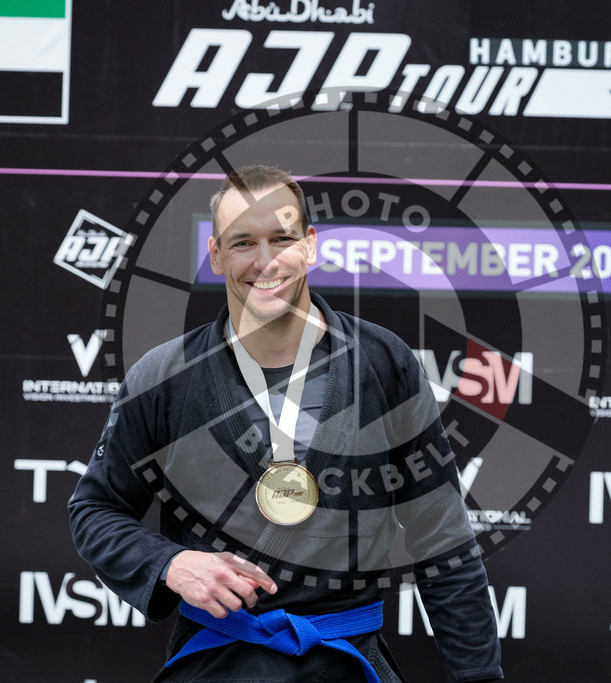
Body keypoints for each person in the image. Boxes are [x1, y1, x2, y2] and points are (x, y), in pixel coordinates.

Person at [68, 165, 503, 682]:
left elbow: (443, 539)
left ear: (310, 244)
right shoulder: (164, 377)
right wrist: (170, 564)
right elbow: (95, 510)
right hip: (217, 662)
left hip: (344, 662)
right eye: (243, 242)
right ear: (215, 254)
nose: (265, 260)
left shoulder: (384, 364)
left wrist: (479, 679)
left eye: (282, 238)